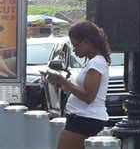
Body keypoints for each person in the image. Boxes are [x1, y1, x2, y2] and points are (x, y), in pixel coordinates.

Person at [43, 21, 110, 149]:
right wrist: (63, 85)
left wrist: (63, 80)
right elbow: (84, 90)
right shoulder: (93, 62)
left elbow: (89, 97)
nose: (74, 50)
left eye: (75, 45)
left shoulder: (96, 63)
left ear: (86, 42)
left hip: (86, 119)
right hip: (83, 117)